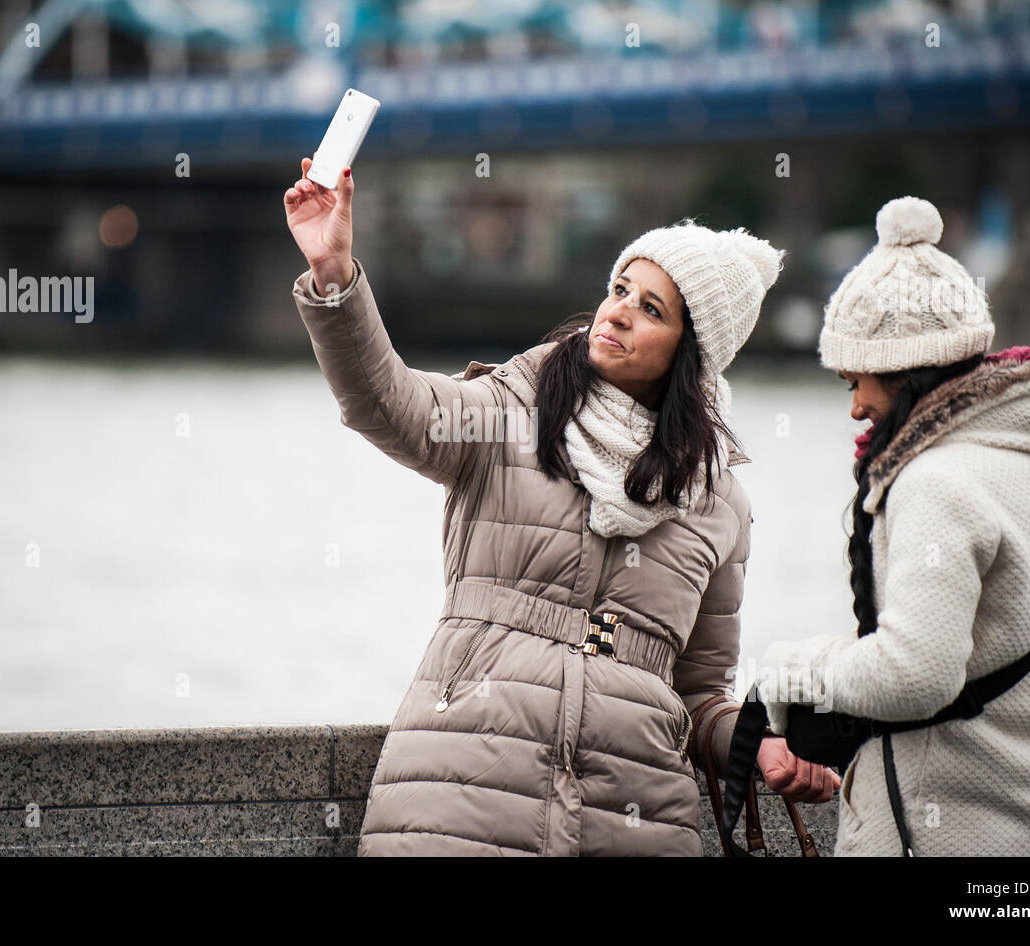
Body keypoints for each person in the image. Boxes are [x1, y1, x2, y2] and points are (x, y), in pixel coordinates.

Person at [283, 158, 838, 855]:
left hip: (633, 822)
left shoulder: (718, 500)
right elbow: (384, 401)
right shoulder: (512, 408)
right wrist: (334, 272)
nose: (618, 313)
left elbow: (696, 695)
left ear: (691, 354)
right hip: (457, 804)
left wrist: (756, 746)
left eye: (651, 309)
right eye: (620, 288)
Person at [757, 196, 1030, 856]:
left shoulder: (935, 480)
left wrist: (788, 671)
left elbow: (916, 676)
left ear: (908, 375)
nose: (856, 406)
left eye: (859, 380)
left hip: (931, 838)